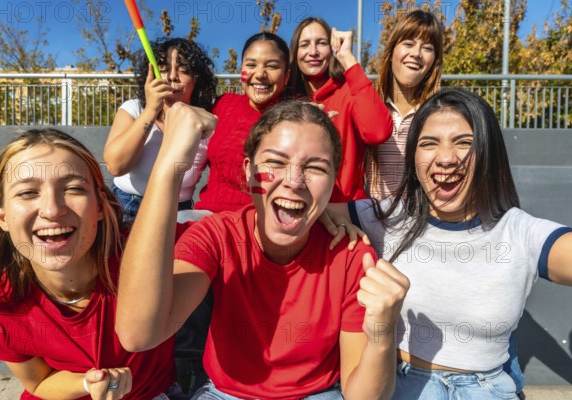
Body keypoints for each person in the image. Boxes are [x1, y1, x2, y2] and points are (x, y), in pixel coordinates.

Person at [115, 100, 410, 399]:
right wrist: (169, 165)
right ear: (248, 171)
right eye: (276, 162)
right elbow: (137, 333)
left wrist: (382, 334)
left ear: (334, 178)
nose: (294, 182)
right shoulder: (218, 236)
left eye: (315, 167)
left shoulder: (350, 255)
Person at [330, 88, 572, 399]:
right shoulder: (382, 217)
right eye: (429, 143)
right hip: (402, 384)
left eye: (464, 143)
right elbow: (299, 212)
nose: (446, 158)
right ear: (414, 158)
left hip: (489, 389)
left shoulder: (521, 232)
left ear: (489, 153)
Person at [0, 129, 178, 399]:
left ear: (101, 206)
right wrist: (88, 384)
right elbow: (38, 382)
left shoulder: (150, 254)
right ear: (3, 216)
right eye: (27, 193)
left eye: (73, 188)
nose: (53, 209)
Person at [104, 37, 217, 222]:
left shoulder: (205, 120)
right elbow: (115, 165)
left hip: (178, 213)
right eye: (163, 69)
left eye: (184, 70)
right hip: (126, 207)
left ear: (197, 80)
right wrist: (151, 110)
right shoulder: (134, 109)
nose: (172, 76)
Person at [287, 17, 393, 203]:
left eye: (321, 43)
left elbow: (378, 132)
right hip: (295, 205)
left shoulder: (350, 90)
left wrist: (347, 58)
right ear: (295, 53)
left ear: (332, 48)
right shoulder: (286, 99)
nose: (313, 52)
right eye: (304, 45)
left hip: (344, 211)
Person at [192, 32, 291, 216]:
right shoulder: (223, 104)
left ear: (286, 76)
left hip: (261, 224)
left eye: (272, 66)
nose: (260, 74)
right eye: (251, 65)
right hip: (208, 218)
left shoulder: (294, 117)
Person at [365, 10, 443, 200]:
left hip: (421, 224)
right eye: (408, 43)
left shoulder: (440, 115)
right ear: (391, 52)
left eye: (427, 48)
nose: (416, 54)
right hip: (368, 223)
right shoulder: (367, 106)